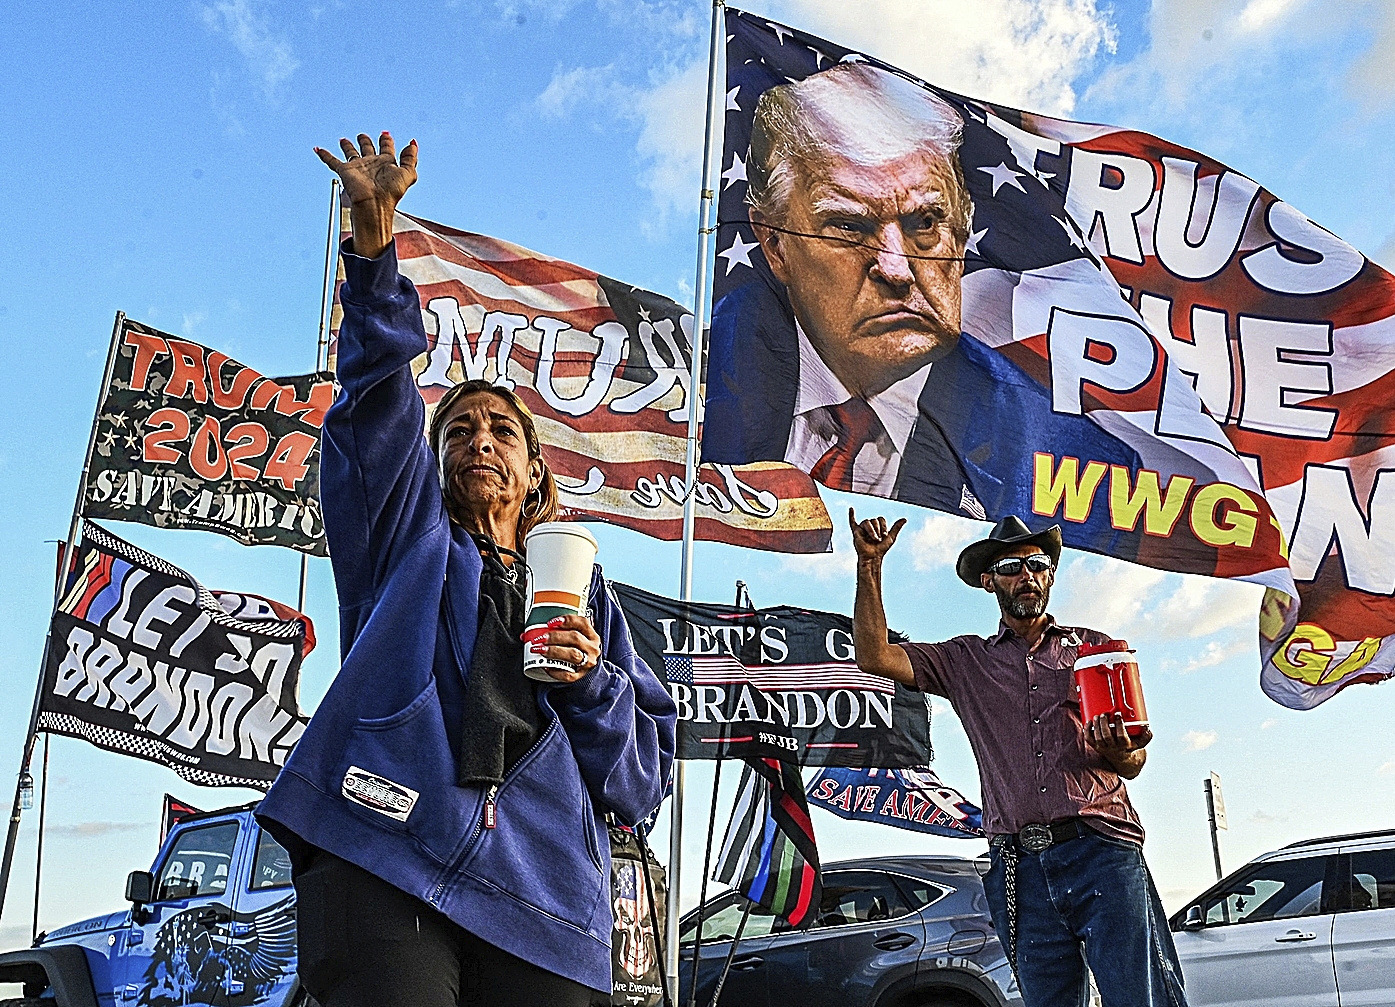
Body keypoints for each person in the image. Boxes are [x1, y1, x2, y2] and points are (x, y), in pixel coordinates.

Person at [255, 131, 676, 1007]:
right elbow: (377, 404)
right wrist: (373, 250)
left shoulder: (594, 600)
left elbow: (638, 782)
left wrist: (594, 681)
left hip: (548, 903)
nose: (479, 439)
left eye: (502, 432)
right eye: (458, 430)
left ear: (535, 475)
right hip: (384, 845)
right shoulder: (406, 538)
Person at [702, 63, 1136, 523]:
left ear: (963, 227)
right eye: (849, 226)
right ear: (775, 245)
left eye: (925, 223)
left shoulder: (1080, 463)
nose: (896, 269)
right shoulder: (700, 374)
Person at [847, 510, 1187, 1007]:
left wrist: (1122, 750)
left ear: (1049, 575)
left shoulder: (1095, 650)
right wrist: (869, 567)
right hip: (1017, 867)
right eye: (1011, 565)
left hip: (1101, 851)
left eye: (1037, 564)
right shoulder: (965, 660)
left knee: (1141, 998)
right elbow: (876, 657)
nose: (1026, 574)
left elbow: (1132, 762)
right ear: (989, 582)